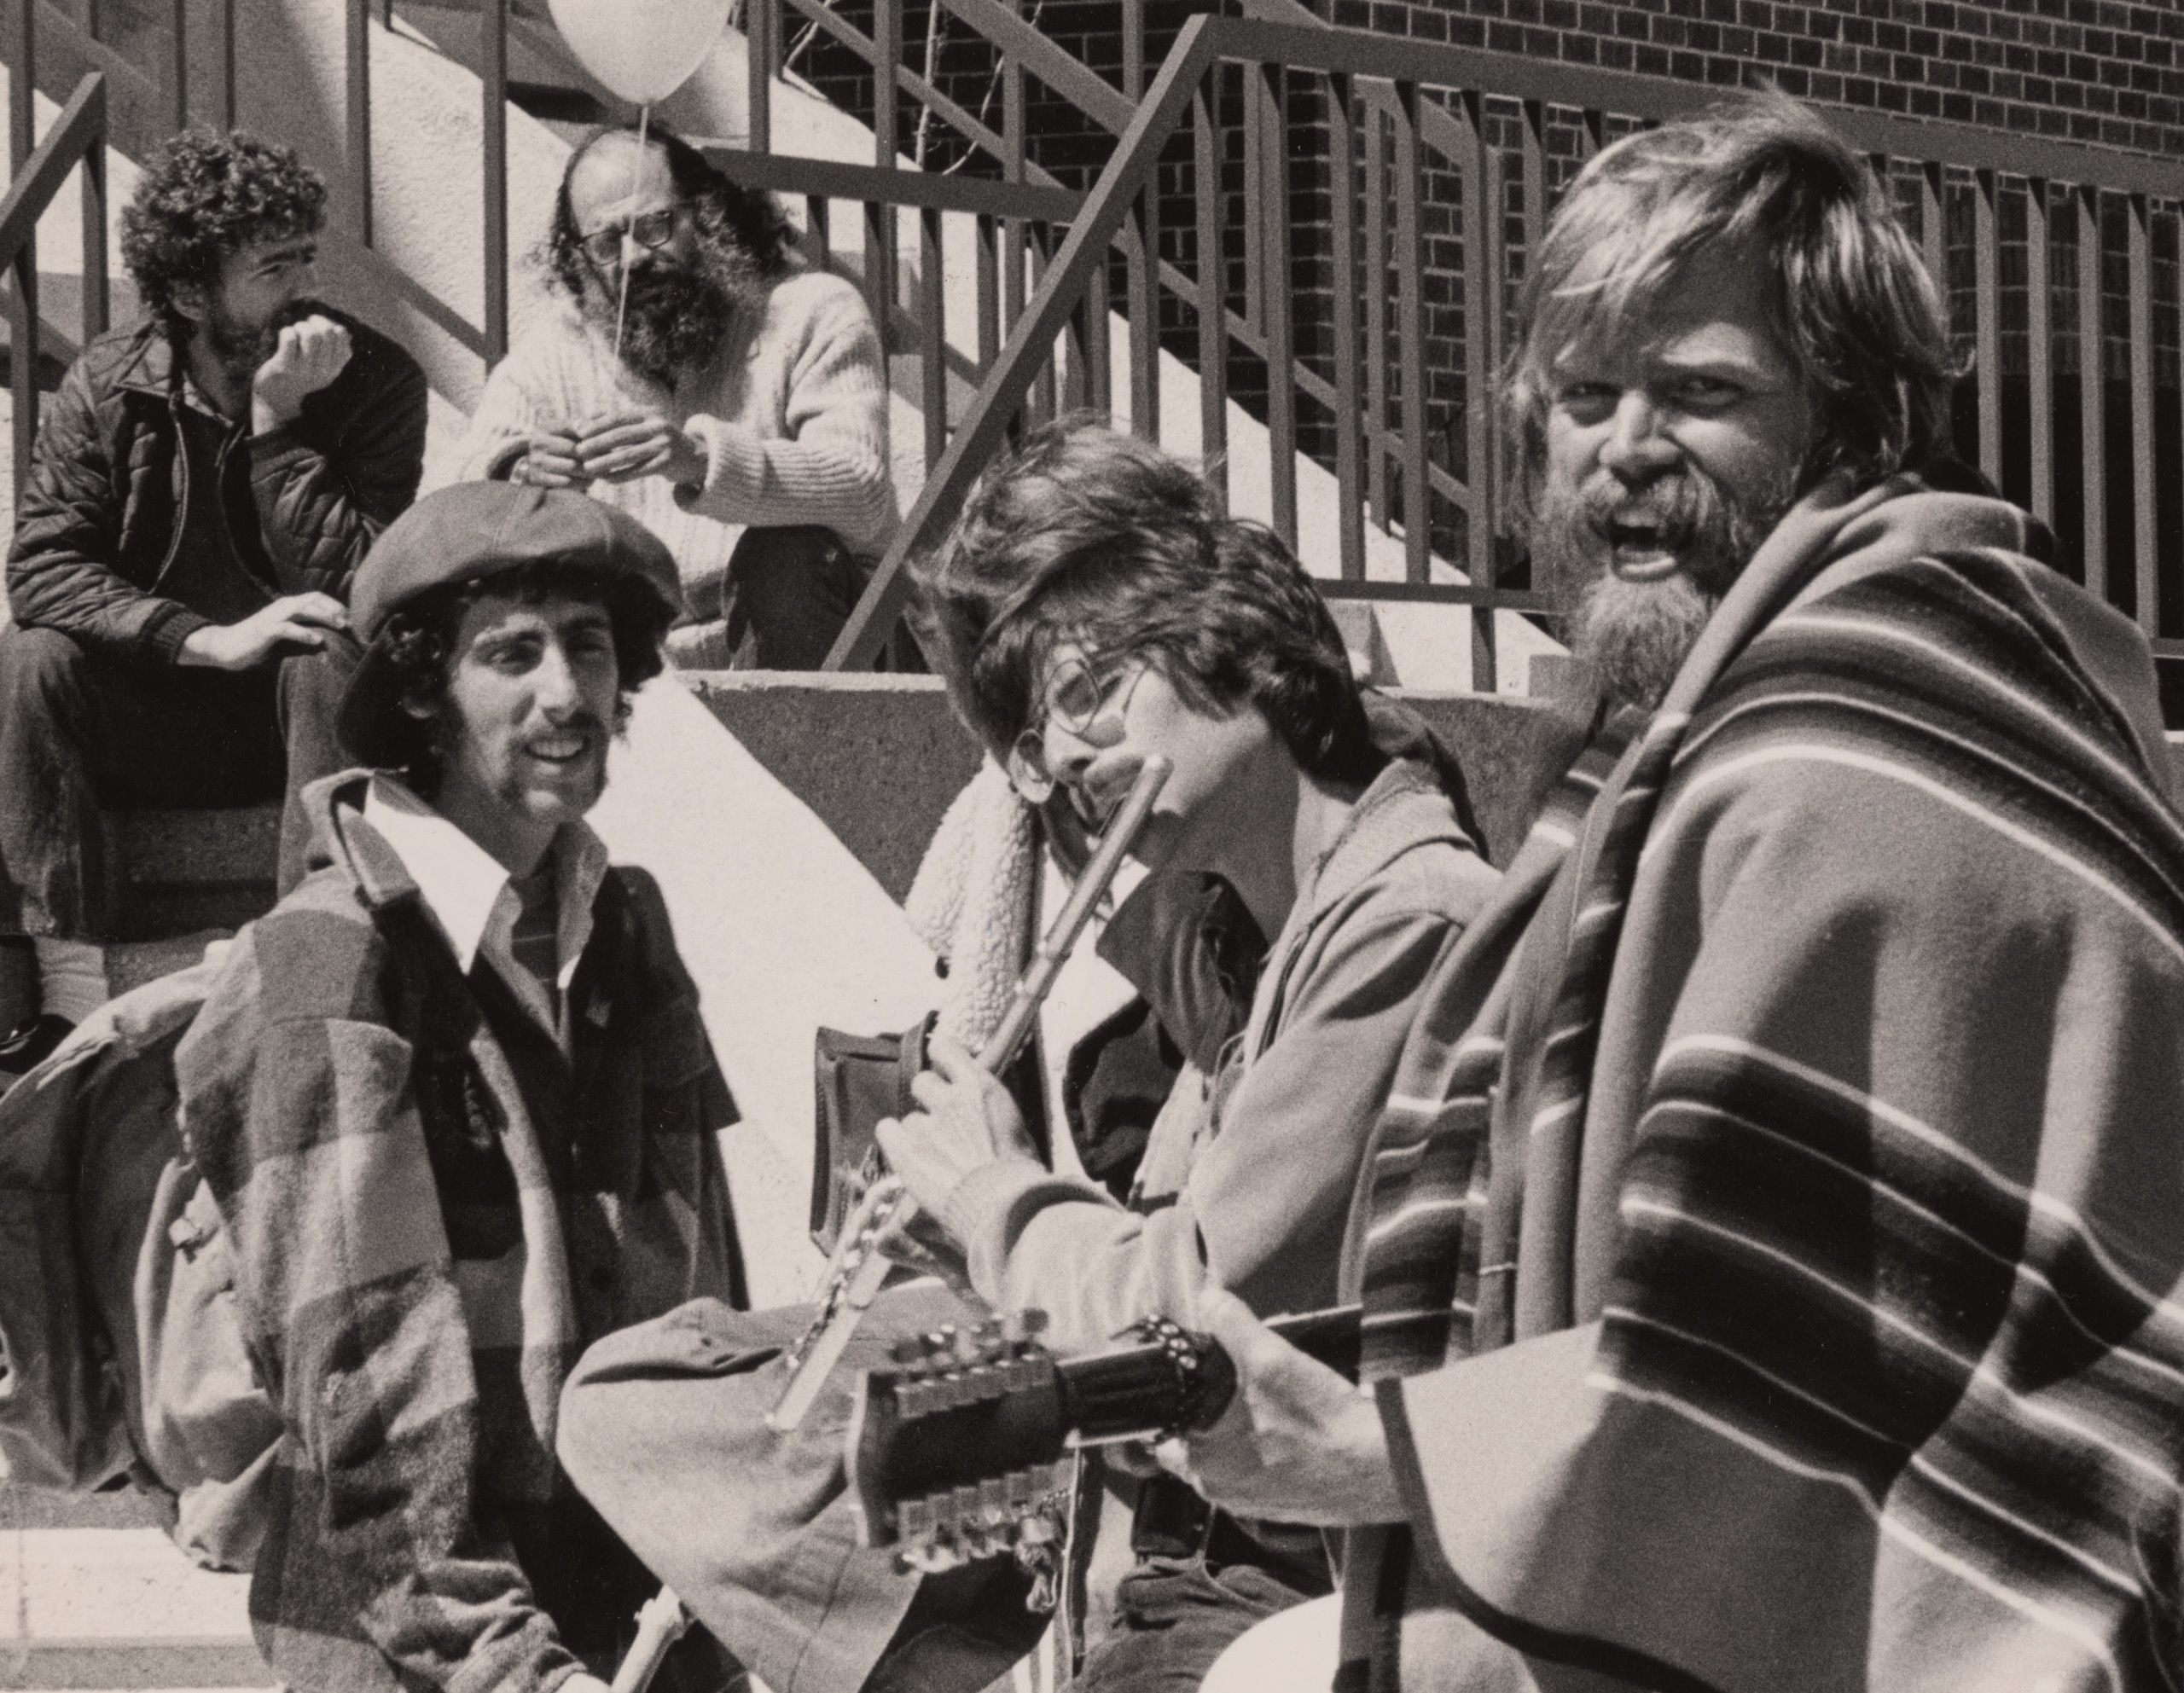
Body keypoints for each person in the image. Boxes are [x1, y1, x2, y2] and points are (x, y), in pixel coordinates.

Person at [1159, 93, 2184, 1693]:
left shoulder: (1859, 754)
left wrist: (1375, 1448)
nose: (1624, 451)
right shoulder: (1705, 715)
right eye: (1583, 394)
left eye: (1702, 393)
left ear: (1853, 420)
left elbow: (1796, 1372)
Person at [556, 424, 1502, 1693]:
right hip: (1128, 1485)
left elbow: (1180, 1315)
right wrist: (967, 1232)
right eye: (1039, 727)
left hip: (1255, 1553)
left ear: (1245, 642)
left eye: (1092, 690)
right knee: (641, 1400)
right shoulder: (1253, 940)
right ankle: (904, 1624)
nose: (1062, 755)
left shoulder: (1414, 919)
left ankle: (910, 1630)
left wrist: (996, 1195)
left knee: (848, 1449)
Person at [171, 482, 746, 1693]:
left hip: (639, 1631)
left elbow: (710, 1310)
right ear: (424, 687)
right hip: (429, 1660)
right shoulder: (330, 962)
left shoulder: (628, 932)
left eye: (590, 645)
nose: (566, 692)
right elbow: (369, 1418)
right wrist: (520, 1675)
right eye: (512, 652)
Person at [0, 126, 428, 1052]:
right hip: (161, 713)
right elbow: (40, 567)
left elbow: (366, 583)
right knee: (30, 659)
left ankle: (312, 967)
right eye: (271, 270)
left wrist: (281, 426)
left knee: (330, 644)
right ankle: (67, 993)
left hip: (299, 719)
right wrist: (199, 637)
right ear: (191, 291)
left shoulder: (375, 380)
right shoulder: (109, 386)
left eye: (302, 260)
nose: (301, 293)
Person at [453, 119, 898, 670]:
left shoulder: (812, 310)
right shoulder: (555, 352)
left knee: (785, 555)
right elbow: (462, 495)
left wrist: (700, 460)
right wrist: (517, 471)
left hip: (822, 632)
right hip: (649, 657)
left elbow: (862, 486)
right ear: (579, 258)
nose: (635, 257)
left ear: (710, 217)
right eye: (606, 242)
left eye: (654, 226)